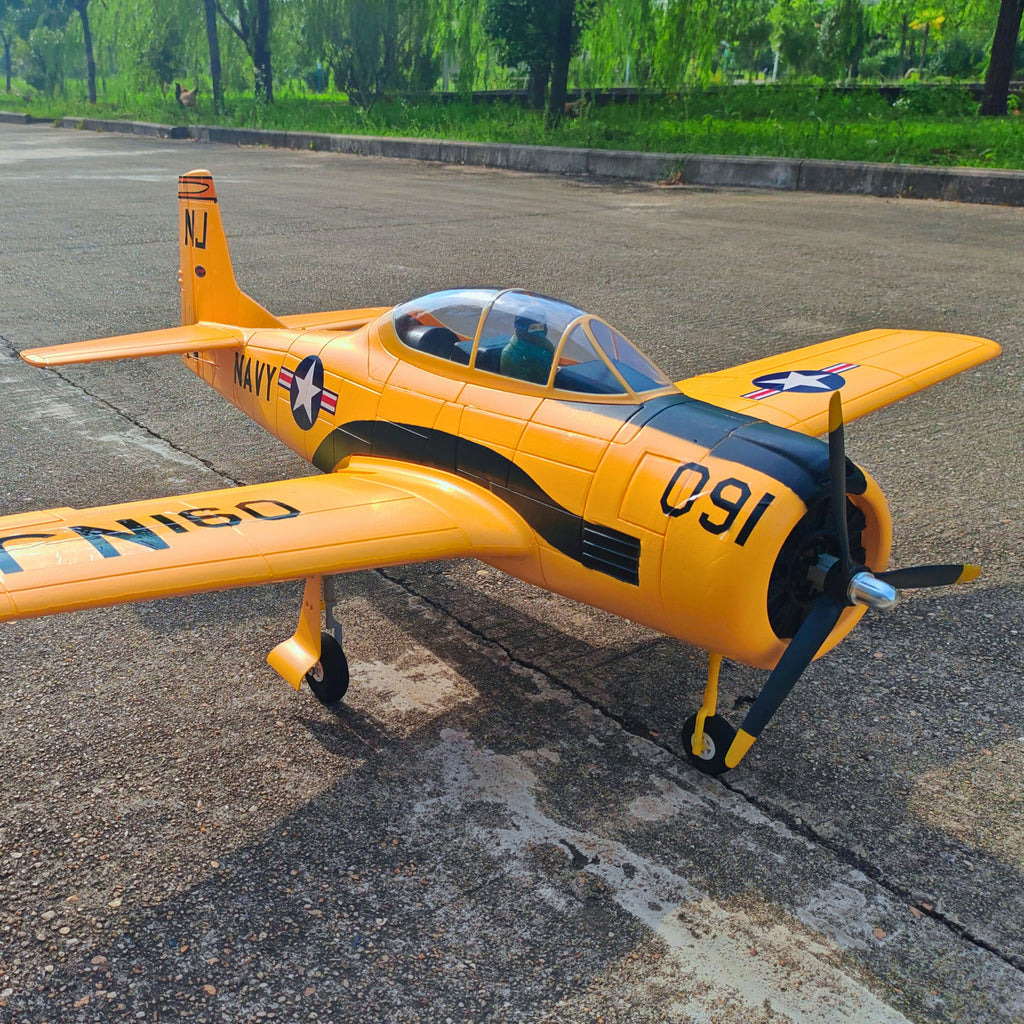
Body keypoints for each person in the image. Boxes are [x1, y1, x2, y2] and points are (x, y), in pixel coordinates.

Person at [500, 313, 554, 385]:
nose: (538, 333)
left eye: (540, 327)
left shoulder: (545, 345)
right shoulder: (510, 353)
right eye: (533, 328)